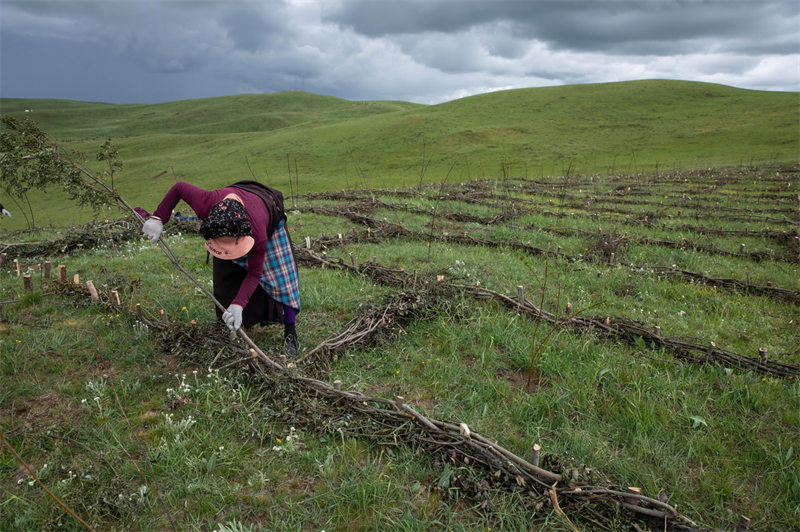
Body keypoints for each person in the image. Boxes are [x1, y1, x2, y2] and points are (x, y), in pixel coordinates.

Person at [141, 180, 301, 355]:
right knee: (224, 282)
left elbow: (255, 273)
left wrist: (239, 304)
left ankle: (290, 331)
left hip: (267, 216)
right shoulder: (206, 204)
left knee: (283, 280)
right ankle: (230, 328)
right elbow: (179, 187)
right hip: (230, 225)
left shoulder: (259, 232)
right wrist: (157, 217)